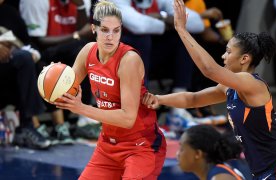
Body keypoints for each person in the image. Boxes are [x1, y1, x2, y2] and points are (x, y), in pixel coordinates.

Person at [143, 0, 276, 179]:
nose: (223, 56)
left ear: (244, 59)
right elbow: (193, 99)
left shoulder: (252, 83)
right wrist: (159, 99)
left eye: (228, 52)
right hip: (262, 172)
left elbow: (209, 70)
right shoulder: (230, 87)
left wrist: (182, 30)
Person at [54, 1, 166, 179]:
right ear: (93, 28)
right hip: (107, 146)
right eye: (105, 30)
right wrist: (54, 79)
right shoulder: (87, 51)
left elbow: (128, 118)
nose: (110, 37)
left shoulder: (129, 60)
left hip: (141, 146)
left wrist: (81, 108)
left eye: (116, 30)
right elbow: (63, 92)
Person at [19, 0, 93, 143]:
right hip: (42, 49)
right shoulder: (35, 2)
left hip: (70, 47)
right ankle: (54, 123)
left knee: (87, 49)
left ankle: (83, 119)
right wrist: (75, 36)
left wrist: (80, 7)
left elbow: (85, 33)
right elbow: (37, 40)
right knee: (80, 49)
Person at [0, 0, 50, 149]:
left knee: (26, 59)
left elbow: (27, 43)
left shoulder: (10, 12)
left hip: (5, 69)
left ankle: (26, 126)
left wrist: (32, 54)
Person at [177, 124, 250, 180]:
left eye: (181, 149)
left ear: (198, 153)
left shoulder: (220, 177)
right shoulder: (218, 173)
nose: (177, 154)